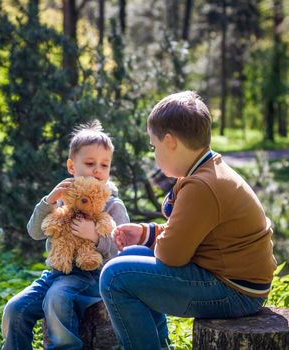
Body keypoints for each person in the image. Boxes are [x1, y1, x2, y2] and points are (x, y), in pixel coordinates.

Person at [99, 91, 277, 350]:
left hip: (236, 292)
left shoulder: (202, 186)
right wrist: (147, 234)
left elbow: (172, 255)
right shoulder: (206, 170)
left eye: (153, 146)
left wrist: (161, 238)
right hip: (235, 280)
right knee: (134, 254)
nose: (154, 153)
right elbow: (194, 235)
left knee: (115, 277)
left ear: (170, 142)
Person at [1, 120, 129, 350]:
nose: (98, 170)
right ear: (72, 166)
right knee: (15, 309)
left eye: (104, 165)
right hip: (56, 272)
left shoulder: (113, 205)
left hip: (93, 276)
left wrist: (97, 238)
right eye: (90, 163)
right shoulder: (62, 197)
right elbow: (35, 233)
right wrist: (48, 202)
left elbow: (124, 250)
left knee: (57, 298)